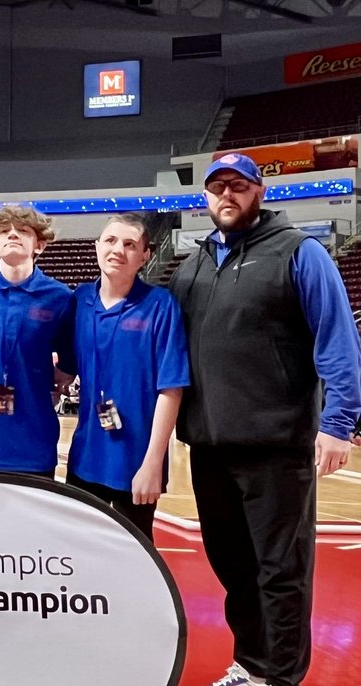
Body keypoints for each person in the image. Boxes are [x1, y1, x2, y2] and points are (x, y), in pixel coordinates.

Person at [169, 153, 361, 686]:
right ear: (205, 197)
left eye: (237, 186)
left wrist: (339, 421)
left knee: (281, 569)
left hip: (276, 445)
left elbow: (338, 340)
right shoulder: (195, 263)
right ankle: (251, 665)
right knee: (234, 566)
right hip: (209, 445)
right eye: (216, 188)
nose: (225, 196)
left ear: (259, 191)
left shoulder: (299, 253)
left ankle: (278, 676)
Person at [65, 214, 189, 542]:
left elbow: (171, 389)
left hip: (137, 463)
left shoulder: (161, 306)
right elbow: (62, 371)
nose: (118, 249)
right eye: (110, 240)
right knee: (74, 554)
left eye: (130, 244)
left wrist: (153, 463)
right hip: (84, 459)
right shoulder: (78, 301)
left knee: (133, 559)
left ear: (145, 255)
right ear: (96, 247)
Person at [0, 205, 76, 476]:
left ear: (40, 245)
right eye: (3, 231)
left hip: (34, 445)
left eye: (22, 231)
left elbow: (70, 360)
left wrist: (55, 379)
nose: (12, 235)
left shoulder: (60, 297)